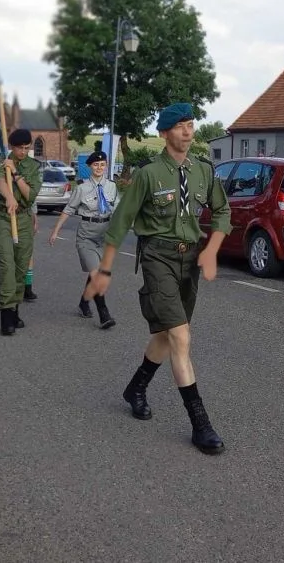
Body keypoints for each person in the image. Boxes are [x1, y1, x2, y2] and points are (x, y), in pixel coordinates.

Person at [90, 102, 231, 455]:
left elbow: (223, 210)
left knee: (166, 337)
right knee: (181, 336)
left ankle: (136, 387)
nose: (188, 130)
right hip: (157, 256)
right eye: (181, 125)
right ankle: (201, 424)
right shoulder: (148, 174)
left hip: (191, 259)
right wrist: (104, 270)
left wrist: (212, 248)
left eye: (191, 124)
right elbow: (120, 223)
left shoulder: (203, 171)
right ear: (164, 133)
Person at [49, 149, 117, 328]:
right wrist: (56, 230)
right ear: (90, 167)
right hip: (86, 235)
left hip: (105, 235)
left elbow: (118, 210)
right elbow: (68, 210)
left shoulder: (112, 186)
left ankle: (84, 302)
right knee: (96, 275)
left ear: (106, 166)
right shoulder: (82, 188)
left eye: (102, 164)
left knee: (96, 272)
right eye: (96, 164)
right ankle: (104, 315)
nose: (99, 167)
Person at [0, 128, 43, 335]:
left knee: (21, 266)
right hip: (3, 216)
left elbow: (30, 196)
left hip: (23, 218)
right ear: (11, 147)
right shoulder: (0, 161)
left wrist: (16, 172)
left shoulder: (33, 166)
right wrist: (9, 197)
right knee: (6, 265)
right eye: (19, 148)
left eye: (26, 148)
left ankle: (14, 308)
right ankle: (5, 314)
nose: (23, 151)